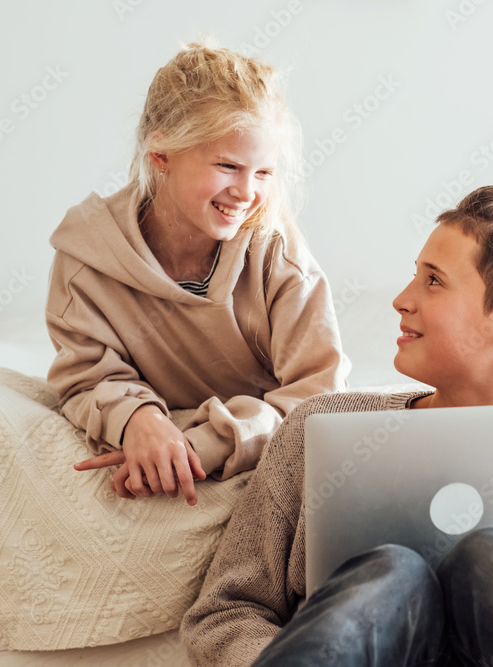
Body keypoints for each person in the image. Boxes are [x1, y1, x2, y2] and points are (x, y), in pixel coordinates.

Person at [180, 185, 493, 666]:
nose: (401, 300)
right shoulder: (321, 433)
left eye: (433, 281)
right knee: (395, 573)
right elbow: (224, 613)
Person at [45, 42, 348, 506]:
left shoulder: (274, 249)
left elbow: (320, 397)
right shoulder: (87, 257)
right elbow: (85, 375)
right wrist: (139, 420)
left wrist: (202, 445)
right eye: (228, 166)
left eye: (263, 172)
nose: (247, 193)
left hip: (251, 432)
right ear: (162, 153)